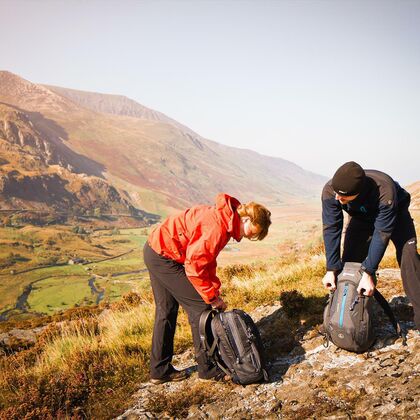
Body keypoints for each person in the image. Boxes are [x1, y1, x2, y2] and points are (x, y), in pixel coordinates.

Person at [143, 193, 271, 384]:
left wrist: (214, 291)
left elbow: (207, 262)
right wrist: (211, 298)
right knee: (201, 310)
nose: (248, 236)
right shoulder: (217, 227)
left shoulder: (224, 219)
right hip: (165, 257)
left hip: (156, 249)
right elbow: (195, 266)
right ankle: (207, 369)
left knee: (166, 310)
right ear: (245, 219)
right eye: (251, 232)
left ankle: (159, 371)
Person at [321, 161, 420, 329]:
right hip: (361, 217)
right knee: (349, 265)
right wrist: (331, 268)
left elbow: (382, 233)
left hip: (396, 216)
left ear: (358, 193)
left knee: (409, 260)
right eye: (337, 193)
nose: (338, 198)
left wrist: (368, 272)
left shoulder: (384, 190)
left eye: (343, 196)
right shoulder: (331, 191)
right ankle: (352, 319)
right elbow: (331, 228)